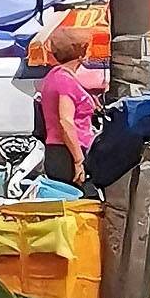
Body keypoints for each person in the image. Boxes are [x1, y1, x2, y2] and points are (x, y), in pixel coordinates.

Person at [37, 12, 99, 187]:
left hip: (57, 150)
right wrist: (79, 160)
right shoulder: (65, 81)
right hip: (68, 153)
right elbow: (66, 121)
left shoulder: (53, 77)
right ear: (81, 51)